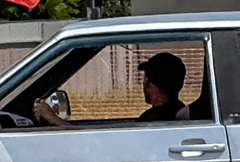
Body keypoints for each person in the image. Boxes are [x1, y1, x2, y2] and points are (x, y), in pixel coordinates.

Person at [26, 50, 196, 126]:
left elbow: (94, 143)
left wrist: (53, 118)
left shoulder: (153, 121)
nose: (143, 84)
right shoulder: (177, 113)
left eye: (145, 79)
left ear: (151, 84)